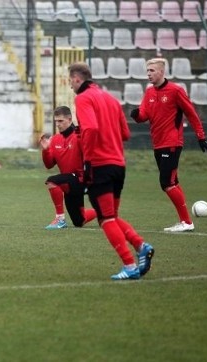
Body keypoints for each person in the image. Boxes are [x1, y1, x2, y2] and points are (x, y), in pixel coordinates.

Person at [68, 62, 154, 280]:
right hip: (118, 165)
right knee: (111, 216)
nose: (70, 86)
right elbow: (125, 133)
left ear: (78, 79)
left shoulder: (83, 98)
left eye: (70, 81)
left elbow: (92, 128)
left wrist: (87, 160)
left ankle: (130, 266)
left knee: (105, 219)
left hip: (100, 165)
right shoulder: (111, 99)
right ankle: (140, 246)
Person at [130, 58, 207, 232]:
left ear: (161, 72)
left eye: (152, 70)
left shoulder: (175, 91)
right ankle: (185, 221)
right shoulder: (149, 92)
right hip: (158, 144)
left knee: (166, 182)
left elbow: (191, 114)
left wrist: (201, 137)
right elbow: (144, 115)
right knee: (173, 181)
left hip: (172, 143)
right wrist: (136, 115)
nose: (148, 74)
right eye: (147, 71)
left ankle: (187, 222)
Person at [40, 106, 97, 230]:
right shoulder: (55, 139)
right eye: (56, 122)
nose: (58, 125)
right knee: (79, 222)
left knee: (52, 181)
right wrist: (45, 151)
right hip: (68, 183)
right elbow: (49, 165)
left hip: (80, 180)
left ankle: (60, 220)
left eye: (61, 121)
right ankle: (101, 210)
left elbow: (91, 157)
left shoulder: (79, 135)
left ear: (70, 119)